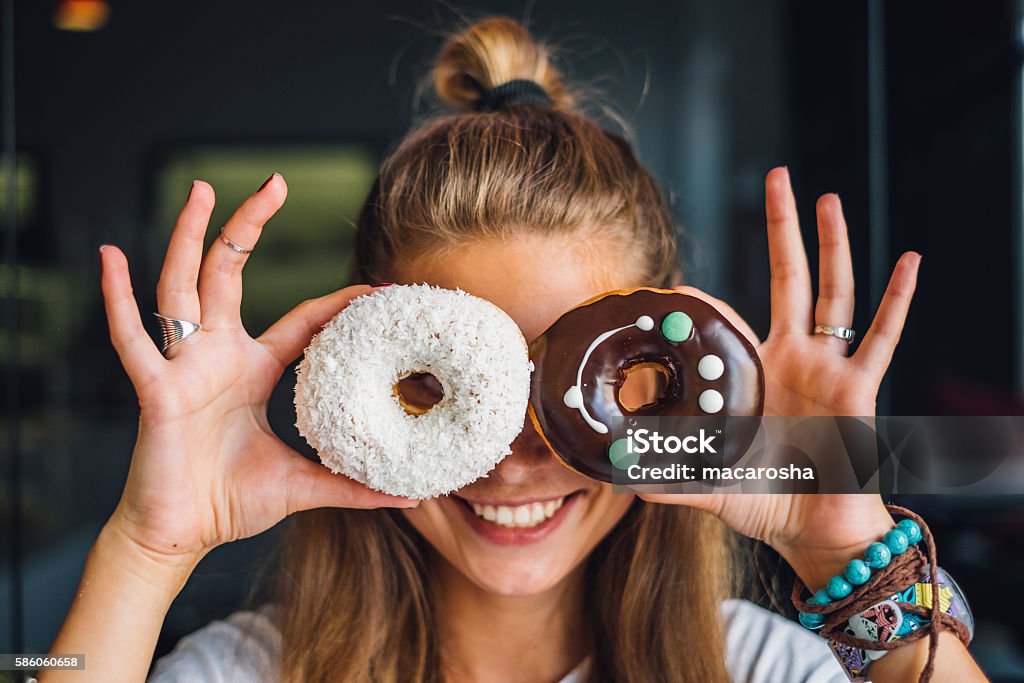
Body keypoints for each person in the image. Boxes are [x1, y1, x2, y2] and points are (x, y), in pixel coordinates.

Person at [42, 16, 989, 683]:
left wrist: (847, 551)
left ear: (664, 391)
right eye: (450, 390)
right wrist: (147, 548)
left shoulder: (770, 667)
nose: (513, 454)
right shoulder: (238, 670)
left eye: (571, 381)